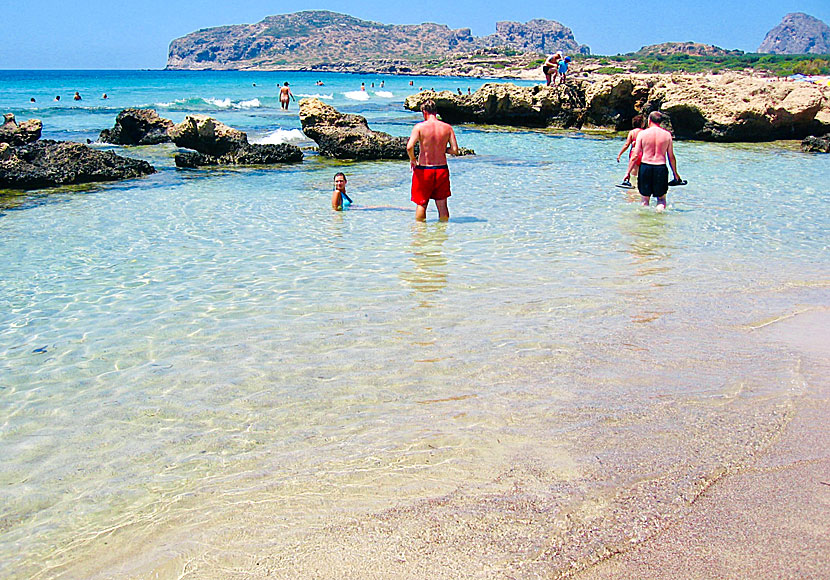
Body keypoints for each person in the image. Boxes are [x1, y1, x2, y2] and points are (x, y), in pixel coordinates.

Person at [406, 99, 459, 222]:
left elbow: (409, 146)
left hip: (424, 169)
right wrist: (443, 150)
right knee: (442, 204)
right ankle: (442, 234)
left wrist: (413, 159)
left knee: (422, 204)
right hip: (441, 169)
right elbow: (455, 150)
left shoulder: (419, 127)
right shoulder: (447, 127)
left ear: (424, 112)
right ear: (436, 112)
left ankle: (421, 236)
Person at [626, 111, 684, 211]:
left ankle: (644, 224)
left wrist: (627, 173)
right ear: (660, 122)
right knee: (661, 200)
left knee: (645, 200)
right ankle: (659, 221)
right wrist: (675, 174)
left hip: (645, 167)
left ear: (649, 120)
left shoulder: (642, 134)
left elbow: (635, 155)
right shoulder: (667, 135)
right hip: (660, 167)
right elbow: (671, 157)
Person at [617, 115, 645, 188]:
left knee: (633, 176)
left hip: (634, 154)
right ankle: (639, 191)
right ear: (642, 123)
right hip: (643, 154)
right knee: (641, 175)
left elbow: (626, 145)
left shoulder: (632, 132)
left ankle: (632, 193)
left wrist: (620, 154)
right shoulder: (645, 132)